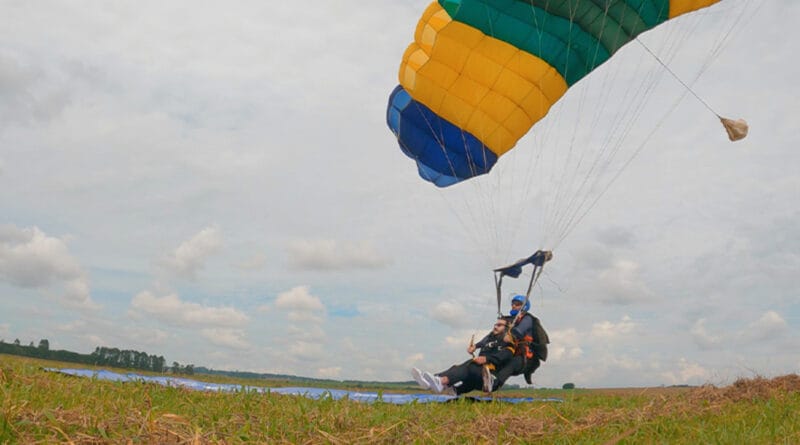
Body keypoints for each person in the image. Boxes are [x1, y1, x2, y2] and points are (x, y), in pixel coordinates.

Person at [412, 317, 514, 395]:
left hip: (490, 376)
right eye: (495, 324)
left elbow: (506, 356)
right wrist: (474, 347)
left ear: (506, 329)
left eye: (499, 325)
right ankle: (433, 381)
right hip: (478, 372)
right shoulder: (490, 339)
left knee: (470, 366)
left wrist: (487, 358)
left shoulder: (507, 344)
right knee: (458, 367)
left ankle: (441, 381)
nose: (495, 327)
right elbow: (482, 342)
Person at [491, 295, 549, 391]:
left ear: (524, 306)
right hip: (509, 352)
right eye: (513, 304)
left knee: (511, 365)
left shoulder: (527, 319)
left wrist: (510, 332)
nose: (513, 306)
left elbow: (518, 332)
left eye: (517, 304)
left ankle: (494, 386)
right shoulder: (508, 319)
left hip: (525, 356)